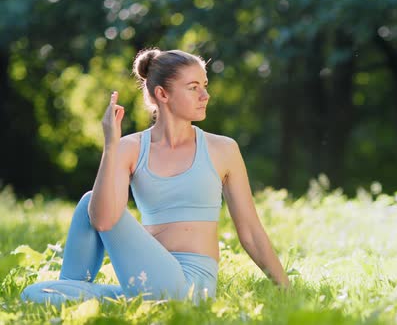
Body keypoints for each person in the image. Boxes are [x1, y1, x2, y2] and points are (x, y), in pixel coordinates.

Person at [21, 48, 290, 305]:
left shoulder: (223, 149)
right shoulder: (130, 148)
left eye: (204, 85)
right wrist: (111, 147)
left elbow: (251, 233)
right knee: (34, 292)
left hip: (191, 287)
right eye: (193, 87)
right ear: (162, 94)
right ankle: (79, 293)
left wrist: (285, 289)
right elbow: (102, 219)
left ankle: (76, 297)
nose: (205, 95)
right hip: (146, 279)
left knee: (91, 207)